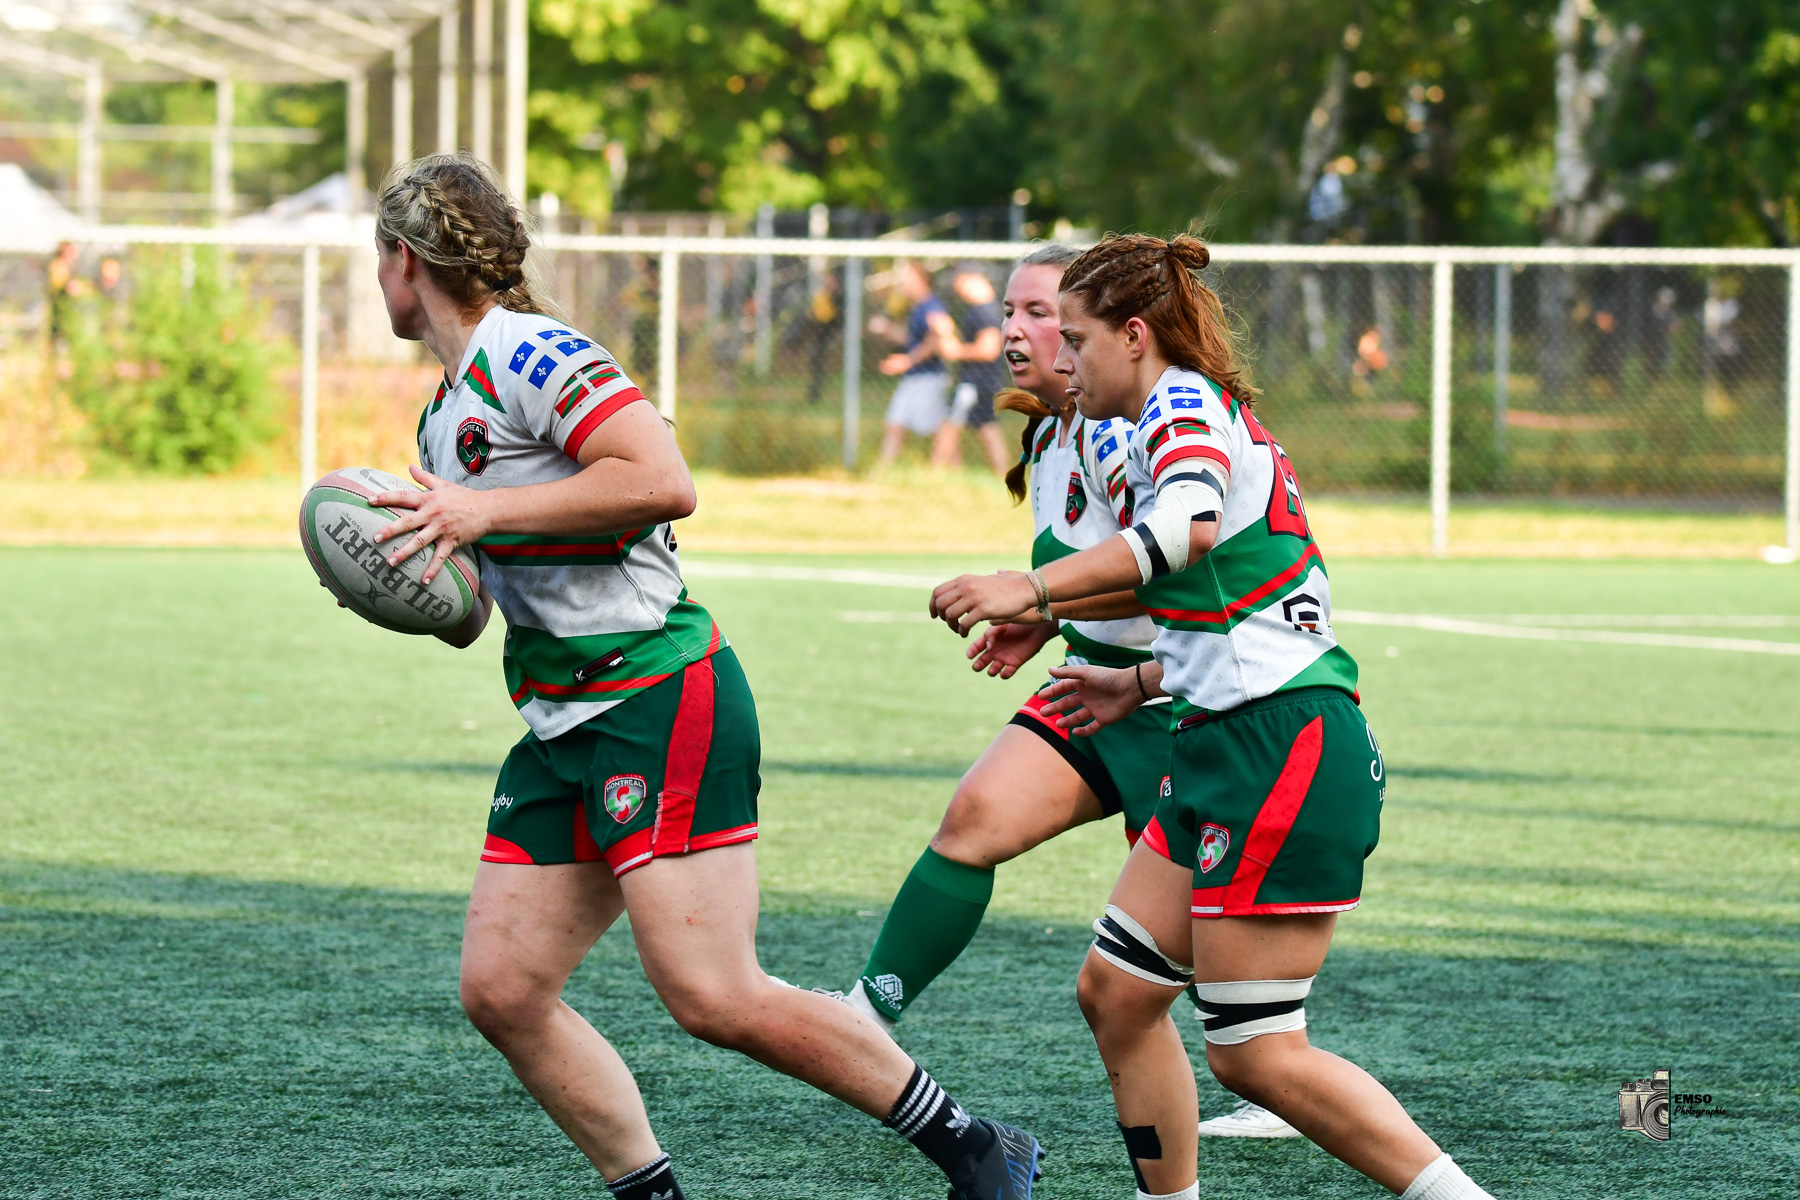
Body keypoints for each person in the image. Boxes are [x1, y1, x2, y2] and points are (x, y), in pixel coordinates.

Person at [359, 152, 1044, 1200]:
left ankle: (975, 1146)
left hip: (658, 700)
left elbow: (663, 481)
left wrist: (482, 514)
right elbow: (486, 607)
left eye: (379, 260)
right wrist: (403, 578)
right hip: (560, 719)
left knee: (713, 994)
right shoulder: (444, 414)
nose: (379, 279)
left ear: (405, 260)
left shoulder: (536, 355)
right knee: (502, 989)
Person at [927, 234, 1499, 1200]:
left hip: (1280, 746)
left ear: (1136, 335)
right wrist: (1141, 681)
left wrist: (1026, 589)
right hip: (1226, 736)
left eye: (1075, 338)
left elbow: (1181, 535)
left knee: (1258, 1054)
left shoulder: (1182, 407)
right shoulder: (1170, 408)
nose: (1062, 361)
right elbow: (1243, 603)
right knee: (1116, 996)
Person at [838, 243, 1297, 1142]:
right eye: (1009, 311)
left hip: (1172, 693)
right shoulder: (1054, 432)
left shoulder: (1139, 427)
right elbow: (1105, 573)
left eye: (1040, 314)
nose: (1015, 330)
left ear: (1106, 331)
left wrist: (1035, 593)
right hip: (1094, 683)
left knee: (1192, 935)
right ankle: (864, 1009)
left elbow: (1175, 564)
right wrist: (1051, 619)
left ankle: (1274, 1074)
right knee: (974, 821)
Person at [930, 265, 1013, 474]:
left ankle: (935, 473)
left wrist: (955, 350)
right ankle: (1004, 476)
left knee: (950, 424)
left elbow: (988, 350)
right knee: (988, 428)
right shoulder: (986, 309)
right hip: (984, 381)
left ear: (971, 280)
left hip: (973, 382)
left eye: (959, 285)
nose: (958, 291)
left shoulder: (984, 311)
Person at [873, 260, 956, 465]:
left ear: (921, 279)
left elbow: (940, 335)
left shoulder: (931, 305)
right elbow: (913, 339)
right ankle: (884, 470)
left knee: (938, 431)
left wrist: (907, 361)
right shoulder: (917, 307)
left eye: (906, 276)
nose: (902, 282)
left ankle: (953, 469)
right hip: (914, 378)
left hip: (928, 378)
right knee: (895, 423)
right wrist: (888, 330)